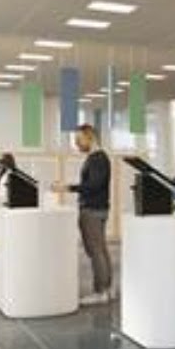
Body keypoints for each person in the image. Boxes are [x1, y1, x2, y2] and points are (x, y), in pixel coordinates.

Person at [52, 125, 114, 306]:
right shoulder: (97, 158)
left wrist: (67, 187)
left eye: (79, 140)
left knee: (96, 251)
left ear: (90, 137)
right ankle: (107, 289)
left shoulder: (97, 159)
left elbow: (93, 186)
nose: (76, 144)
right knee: (100, 250)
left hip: (92, 210)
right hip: (97, 209)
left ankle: (101, 291)